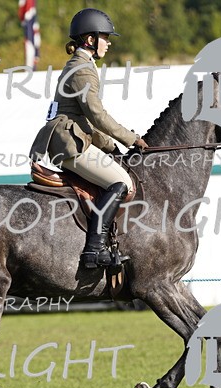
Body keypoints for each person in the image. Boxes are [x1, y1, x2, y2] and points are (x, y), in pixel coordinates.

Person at [30, 8, 149, 269]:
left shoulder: (82, 65)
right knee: (121, 182)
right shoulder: (82, 69)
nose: (110, 42)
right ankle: (93, 250)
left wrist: (111, 146)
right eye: (106, 37)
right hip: (69, 142)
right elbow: (96, 115)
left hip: (74, 136)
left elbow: (86, 120)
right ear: (91, 40)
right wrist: (132, 139)